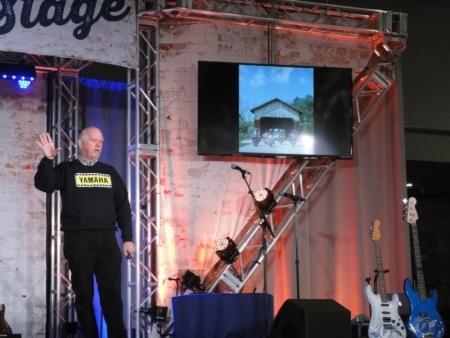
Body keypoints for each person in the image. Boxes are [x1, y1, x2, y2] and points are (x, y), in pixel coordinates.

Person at [34, 127, 136, 338]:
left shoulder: (109, 172)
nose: (98, 145)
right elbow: (44, 184)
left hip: (107, 240)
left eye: (101, 141)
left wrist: (127, 238)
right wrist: (47, 160)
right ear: (81, 143)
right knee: (84, 295)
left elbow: (123, 207)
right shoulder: (66, 169)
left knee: (112, 296)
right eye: (93, 140)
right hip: (78, 239)